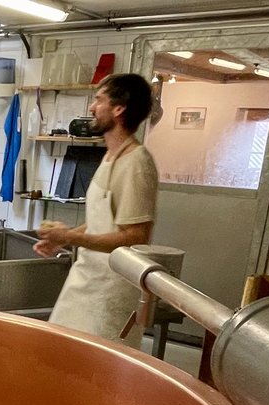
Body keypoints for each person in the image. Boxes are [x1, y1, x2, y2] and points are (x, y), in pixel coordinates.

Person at [35, 73, 159, 348]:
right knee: (61, 351)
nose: (92, 107)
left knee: (96, 366)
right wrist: (63, 237)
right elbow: (102, 223)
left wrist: (70, 238)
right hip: (87, 277)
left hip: (111, 289)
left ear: (119, 109)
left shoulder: (137, 163)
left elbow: (135, 237)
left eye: (99, 100)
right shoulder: (110, 156)